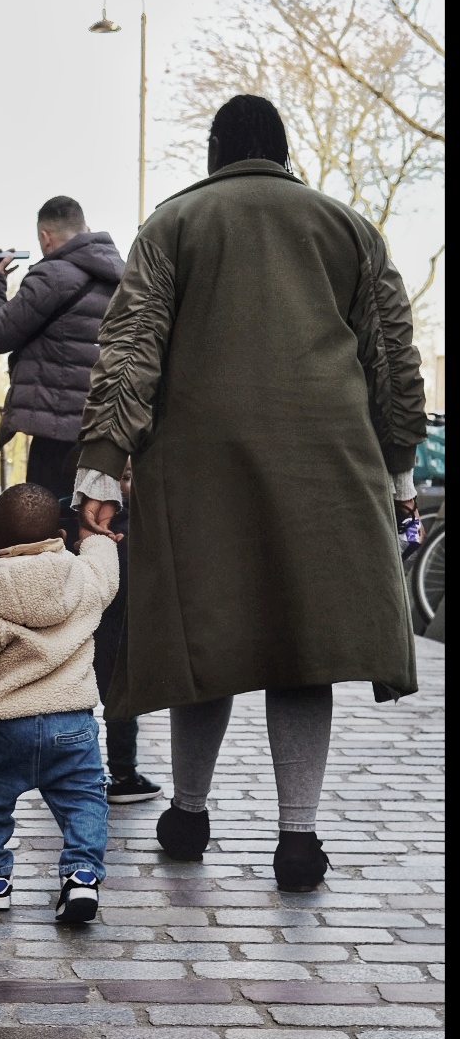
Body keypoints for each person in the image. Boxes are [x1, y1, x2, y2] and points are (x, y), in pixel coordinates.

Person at [76, 94, 427, 892]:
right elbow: (390, 358)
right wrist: (398, 471)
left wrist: (99, 470)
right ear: (280, 149)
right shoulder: (347, 228)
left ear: (214, 152)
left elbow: (128, 350)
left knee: (209, 641)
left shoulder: (173, 224)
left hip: (201, 465)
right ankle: (297, 839)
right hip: (328, 463)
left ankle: (188, 813)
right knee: (303, 648)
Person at [0, 482, 119, 924]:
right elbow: (106, 571)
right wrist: (98, 533)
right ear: (62, 538)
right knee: (85, 800)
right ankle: (82, 875)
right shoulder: (83, 579)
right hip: (73, 723)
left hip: (5, 729)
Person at [0, 195, 125, 527]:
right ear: (85, 228)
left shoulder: (52, 276)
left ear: (45, 236)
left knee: (49, 523)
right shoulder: (123, 275)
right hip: (106, 432)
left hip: (56, 433)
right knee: (97, 525)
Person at [92, 460, 162, 804]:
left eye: (133, 476)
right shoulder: (131, 529)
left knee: (114, 702)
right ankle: (121, 774)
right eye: (122, 477)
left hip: (107, 629)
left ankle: (99, 772)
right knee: (120, 701)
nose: (127, 485)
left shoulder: (80, 521)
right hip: (113, 631)